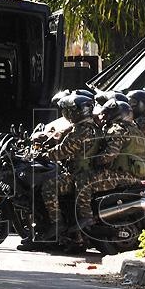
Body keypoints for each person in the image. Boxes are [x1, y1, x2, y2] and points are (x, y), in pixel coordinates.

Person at [74, 100, 145, 230]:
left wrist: (94, 161)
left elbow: (110, 155)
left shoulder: (116, 129)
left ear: (115, 114)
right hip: (137, 176)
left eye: (107, 113)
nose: (104, 117)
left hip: (120, 175)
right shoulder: (137, 131)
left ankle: (86, 217)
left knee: (83, 181)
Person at [36, 94, 100, 242]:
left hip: (79, 173)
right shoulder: (92, 127)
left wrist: (43, 155)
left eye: (69, 111)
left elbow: (63, 151)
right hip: (85, 171)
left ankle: (57, 223)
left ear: (77, 112)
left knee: (49, 186)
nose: (66, 114)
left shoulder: (82, 130)